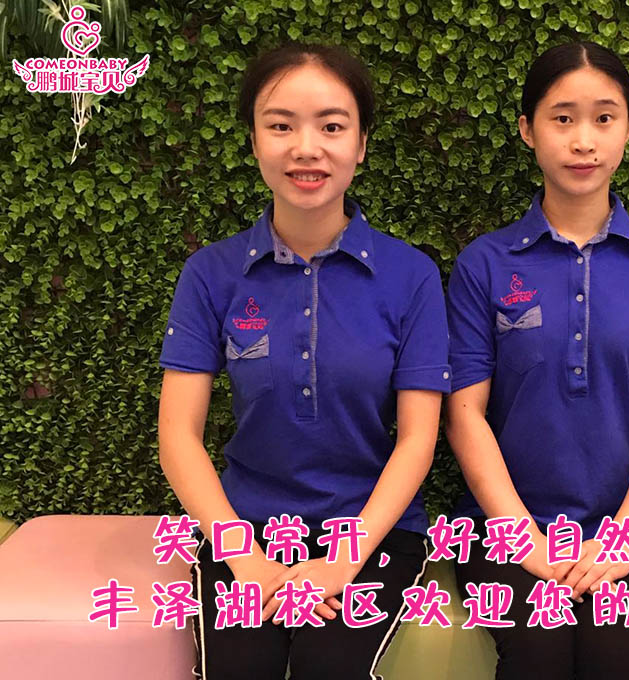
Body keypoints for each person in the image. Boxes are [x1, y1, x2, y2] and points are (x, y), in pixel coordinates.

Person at [157, 42, 451, 680]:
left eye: (332, 127)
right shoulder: (210, 274)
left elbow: (418, 439)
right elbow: (178, 435)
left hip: (373, 532)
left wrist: (344, 558)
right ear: (254, 140)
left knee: (330, 668)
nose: (306, 148)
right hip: (245, 528)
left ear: (361, 144)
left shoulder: (412, 276)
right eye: (281, 125)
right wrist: (244, 557)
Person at [445, 41, 629, 680]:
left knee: (616, 659)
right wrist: (522, 538)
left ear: (628, 129)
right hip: (503, 526)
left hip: (624, 526)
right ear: (528, 130)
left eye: (604, 118)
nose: (583, 140)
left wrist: (624, 537)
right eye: (562, 118)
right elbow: (465, 413)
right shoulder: (484, 264)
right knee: (537, 654)